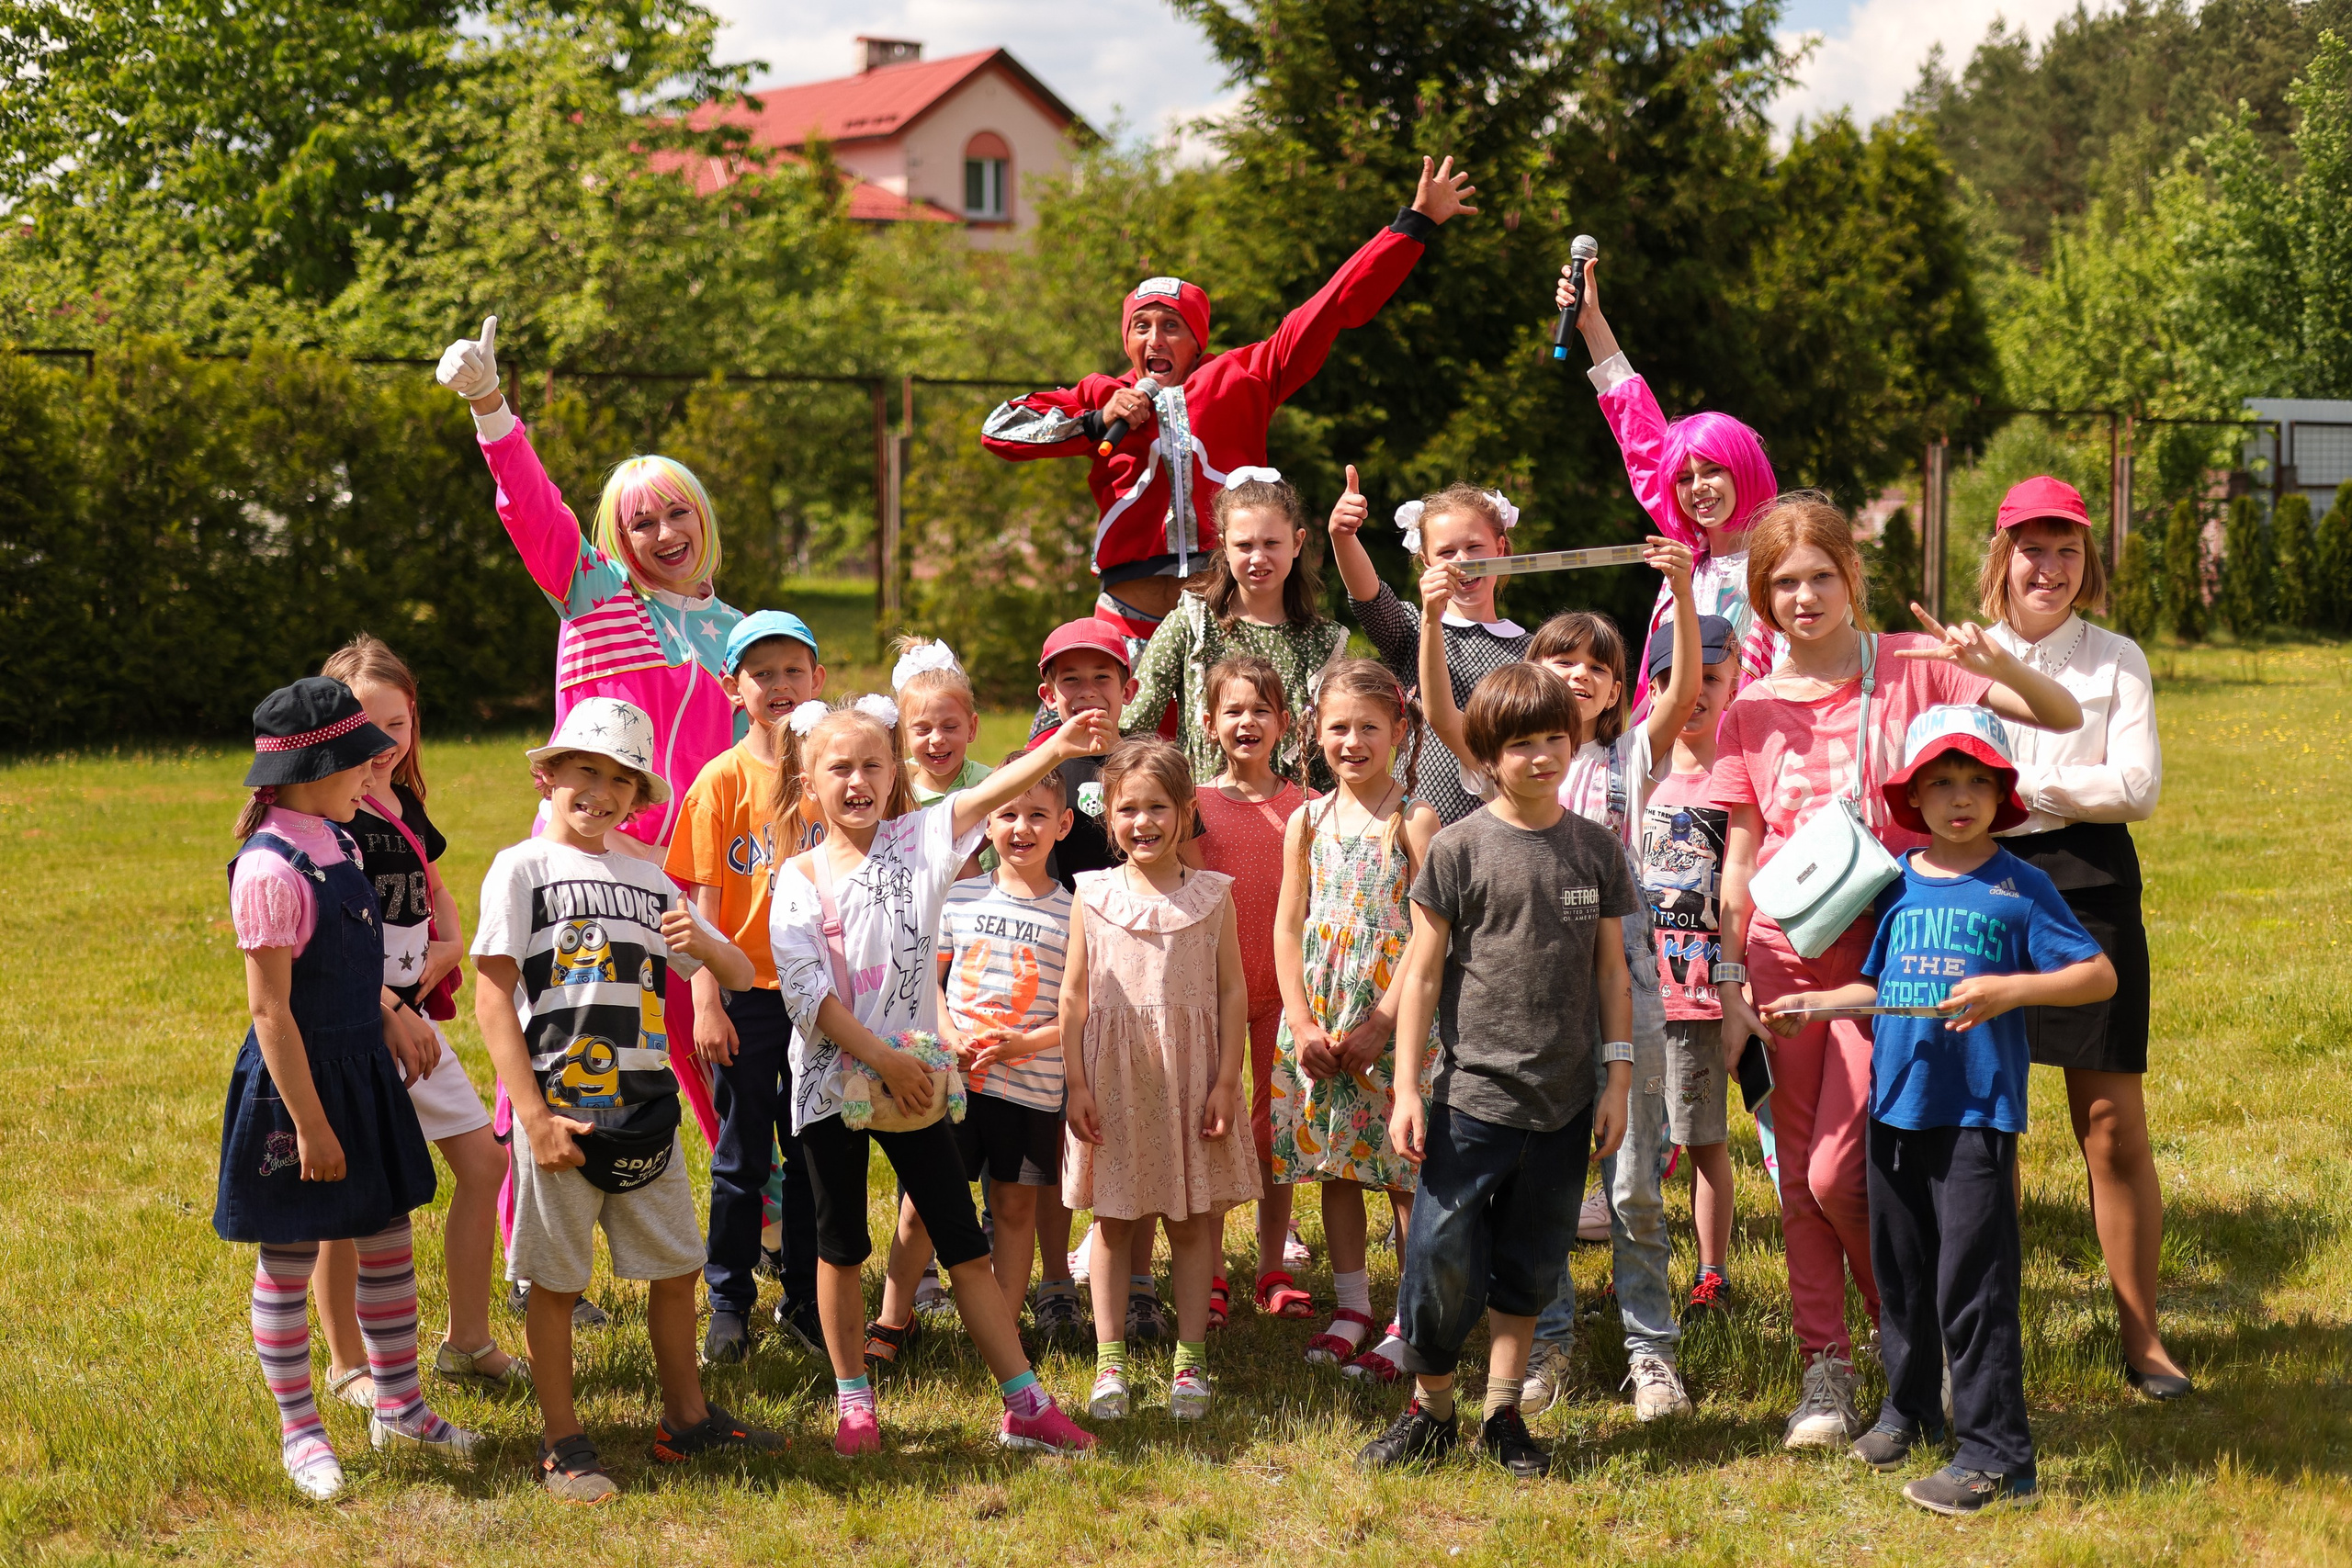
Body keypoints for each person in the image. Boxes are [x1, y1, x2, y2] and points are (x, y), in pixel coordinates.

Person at [1708, 493, 2083, 1450]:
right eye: (1782, 584)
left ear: (1851, 578)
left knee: (1848, 1173)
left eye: (1819, 577)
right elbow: (1742, 851)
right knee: (1799, 1176)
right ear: (1760, 598)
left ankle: (1909, 1343)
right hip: (1784, 958)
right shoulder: (1748, 711)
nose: (1803, 597)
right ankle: (1824, 1370)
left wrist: (1996, 666)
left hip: (1900, 956)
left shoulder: (1914, 667)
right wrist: (1728, 974)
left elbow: (2058, 714)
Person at [437, 318, 741, 1268]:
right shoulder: (592, 590)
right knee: (555, 1039)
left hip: (682, 872)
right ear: (618, 532)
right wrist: (494, 411)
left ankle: (753, 1231)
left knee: (719, 1051)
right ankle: (530, 1249)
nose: (663, 532)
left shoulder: (736, 632)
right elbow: (533, 509)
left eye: (676, 511)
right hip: (579, 864)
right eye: (642, 518)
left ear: (702, 517)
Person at [1767, 705, 2114, 1516]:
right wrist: (1819, 1003)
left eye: (1976, 783)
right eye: (1941, 783)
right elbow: (1884, 991)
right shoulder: (1902, 880)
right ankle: (1910, 1410)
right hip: (1896, 1109)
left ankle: (1999, 1455)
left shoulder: (2020, 885)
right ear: (1913, 798)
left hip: (1975, 1116)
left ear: (2001, 795)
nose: (1959, 797)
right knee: (1904, 1272)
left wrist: (2012, 990)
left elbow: (2097, 974)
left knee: (1974, 1280)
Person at [768, 696, 1104, 1458]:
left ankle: (1025, 1403)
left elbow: (993, 791)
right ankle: (854, 1400)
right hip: (832, 1088)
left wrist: (1058, 749)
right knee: (841, 1244)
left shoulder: (922, 839)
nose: (857, 780)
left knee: (963, 1243)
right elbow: (805, 994)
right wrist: (883, 1057)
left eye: (872, 765)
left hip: (917, 1089)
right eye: (838, 767)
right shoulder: (796, 877)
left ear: (895, 775)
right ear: (809, 780)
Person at [981, 156, 1478, 668]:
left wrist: (1412, 225)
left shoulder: (1245, 376)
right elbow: (998, 430)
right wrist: (1090, 421)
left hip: (1228, 622)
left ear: (1198, 341)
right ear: (1126, 339)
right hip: (1125, 623)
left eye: (1172, 326)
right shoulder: (1101, 394)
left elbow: (1329, 307)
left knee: (1235, 746)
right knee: (1102, 744)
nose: (1155, 338)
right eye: (1142, 326)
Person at [1414, 547, 1703, 1420]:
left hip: (1625, 995)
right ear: (1524, 675)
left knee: (1632, 1187)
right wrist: (1429, 619)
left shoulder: (1626, 759)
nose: (1579, 675)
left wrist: (1683, 595)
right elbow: (1438, 710)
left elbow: (1684, 691)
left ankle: (1653, 1354)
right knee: (1544, 1195)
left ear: (1618, 691)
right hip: (1524, 1007)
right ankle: (1547, 1345)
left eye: (1598, 666)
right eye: (1560, 659)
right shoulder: (1503, 756)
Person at [472, 697, 784, 1502]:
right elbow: (491, 999)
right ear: (547, 775)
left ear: (639, 796)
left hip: (648, 1113)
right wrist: (532, 1117)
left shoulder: (649, 879)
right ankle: (561, 1440)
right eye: (586, 770)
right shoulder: (521, 867)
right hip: (564, 1117)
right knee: (557, 1283)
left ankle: (684, 1419)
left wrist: (707, 945)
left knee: (678, 1269)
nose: (601, 791)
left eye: (621, 779)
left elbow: (741, 976)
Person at [1359, 665, 1635, 1481]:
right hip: (1470, 1101)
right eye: (1522, 744)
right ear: (1487, 753)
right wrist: (1408, 1085)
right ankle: (1432, 1407)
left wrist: (1616, 1078)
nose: (1543, 755)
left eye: (1555, 738)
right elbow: (1423, 972)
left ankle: (1502, 1411)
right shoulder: (1456, 848)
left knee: (1531, 1260)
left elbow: (1613, 976)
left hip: (1563, 1104)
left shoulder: (1595, 848)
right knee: (1441, 1258)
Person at [217, 677, 473, 1502]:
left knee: (388, 1236)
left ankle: (400, 1404)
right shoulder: (269, 868)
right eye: (356, 763)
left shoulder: (343, 841)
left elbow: (351, 964)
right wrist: (311, 1127)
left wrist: (389, 1012)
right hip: (302, 1089)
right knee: (289, 1257)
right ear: (307, 769)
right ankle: (302, 1432)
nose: (372, 774)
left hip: (364, 1071)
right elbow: (272, 1013)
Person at [1981, 477, 2188, 1400]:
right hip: (1976, 883)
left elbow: (2136, 788)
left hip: (2088, 884)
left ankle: (2142, 1338)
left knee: (2109, 1128)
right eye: (2032, 548)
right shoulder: (1966, 653)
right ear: (2001, 556)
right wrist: (2060, 777)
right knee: (1982, 1127)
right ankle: (1984, 1337)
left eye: (2067, 550)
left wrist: (2025, 789)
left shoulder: (2115, 659)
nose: (2050, 568)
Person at [311, 637, 524, 1413]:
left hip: (415, 1027)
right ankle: (344, 1362)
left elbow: (431, 882)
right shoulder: (326, 813)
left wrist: (452, 940)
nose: (382, 744)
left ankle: (467, 1339)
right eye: (366, 726)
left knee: (483, 1163)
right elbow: (328, 939)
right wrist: (391, 1007)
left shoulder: (402, 802)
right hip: (355, 1031)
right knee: (352, 1198)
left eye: (396, 725)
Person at [1061, 740, 1259, 1422]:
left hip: (1191, 1077)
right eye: (1127, 809)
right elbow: (1073, 996)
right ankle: (1109, 1359)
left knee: (1193, 1220)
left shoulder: (1212, 897)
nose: (1142, 822)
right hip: (1115, 1080)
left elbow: (1232, 990)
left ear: (1185, 811)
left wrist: (1227, 1079)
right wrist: (1077, 1083)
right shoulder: (1092, 893)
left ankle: (1190, 1362)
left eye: (1157, 807)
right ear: (1107, 816)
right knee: (1113, 1219)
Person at [662, 611, 829, 1365]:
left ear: (819, 679)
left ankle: (802, 1295)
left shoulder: (831, 772)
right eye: (762, 673)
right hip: (744, 994)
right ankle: (728, 1299)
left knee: (810, 1153)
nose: (780, 684)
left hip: (817, 996)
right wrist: (702, 999)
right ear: (735, 688)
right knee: (740, 1155)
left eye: (794, 669)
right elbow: (696, 903)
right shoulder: (721, 779)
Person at [1270, 659, 1440, 1383]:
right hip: (1323, 1022)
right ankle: (1352, 1305)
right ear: (1315, 732)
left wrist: (1381, 1022)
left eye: (1369, 726)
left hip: (1392, 1023)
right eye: (1337, 726)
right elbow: (1286, 927)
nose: (1352, 741)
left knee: (1404, 1170)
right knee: (1336, 1163)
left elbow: (1431, 932)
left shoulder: (1415, 820)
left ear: (1400, 732)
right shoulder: (1305, 821)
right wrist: (1303, 1022)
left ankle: (1410, 1316)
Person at [1031, 616, 1200, 1341]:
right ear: (1048, 692)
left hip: (1143, 977)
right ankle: (1055, 1282)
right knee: (1057, 1135)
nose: (1087, 691)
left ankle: (1137, 1283)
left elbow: (1185, 866)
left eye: (1101, 676)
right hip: (1057, 971)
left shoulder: (1152, 766)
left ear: (1130, 687)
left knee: (1138, 1127)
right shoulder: (1035, 764)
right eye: (1070, 679)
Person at [888, 755, 1076, 1336]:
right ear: (985, 826)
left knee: (1015, 1207)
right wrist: (948, 1035)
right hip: (956, 1079)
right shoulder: (959, 897)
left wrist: (1025, 1043)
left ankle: (1001, 1328)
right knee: (922, 1205)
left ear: (1063, 825)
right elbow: (928, 984)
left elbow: (1078, 1013)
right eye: (1008, 814)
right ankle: (893, 1320)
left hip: (1032, 1086)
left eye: (1038, 816)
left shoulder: (1077, 915)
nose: (1022, 829)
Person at [1557, 252, 1781, 702]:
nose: (1697, 487)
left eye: (1713, 470)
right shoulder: (1688, 550)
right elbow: (1639, 438)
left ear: (1745, 468)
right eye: (1683, 478)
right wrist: (1590, 323)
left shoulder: (1787, 560)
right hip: (1672, 746)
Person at [1191, 654, 1313, 1327]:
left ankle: (1272, 1261)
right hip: (1212, 995)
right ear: (1210, 723)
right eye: (1233, 710)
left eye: (1261, 709)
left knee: (1277, 1132)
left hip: (1284, 992)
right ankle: (1209, 1270)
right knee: (1214, 1126)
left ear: (1285, 724)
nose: (1247, 722)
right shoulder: (1197, 807)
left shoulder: (1306, 808)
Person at [1631, 616, 1747, 1314]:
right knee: (1635, 1148)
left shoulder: (1739, 774)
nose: (1694, 694)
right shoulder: (1640, 771)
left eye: (1709, 679)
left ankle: (1712, 1271)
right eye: (1676, 680)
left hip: (1703, 994)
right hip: (1641, 992)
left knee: (1703, 1139)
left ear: (1733, 683)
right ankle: (1635, 1264)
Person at [1121, 474, 1350, 793]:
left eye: (1271, 543)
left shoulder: (1322, 642)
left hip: (1298, 823)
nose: (1258, 558)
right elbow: (1133, 727)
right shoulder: (1191, 624)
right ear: (1224, 547)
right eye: (1244, 545)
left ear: (1297, 543)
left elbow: (1338, 747)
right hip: (1204, 822)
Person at [1332, 473, 1532, 825]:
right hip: (1420, 824)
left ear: (1500, 549)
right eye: (1446, 552)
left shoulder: (1531, 649)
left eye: (1474, 548)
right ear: (1425, 561)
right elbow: (1368, 594)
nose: (1461, 562)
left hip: (1505, 822)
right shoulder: (1412, 628)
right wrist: (1343, 537)